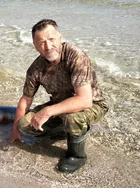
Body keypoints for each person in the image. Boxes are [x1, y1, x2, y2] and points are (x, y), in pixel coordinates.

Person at [10, 19, 108, 173]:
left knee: (72, 118)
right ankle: (65, 130)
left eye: (51, 39)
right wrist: (15, 129)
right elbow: (26, 99)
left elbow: (85, 100)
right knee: (24, 126)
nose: (48, 46)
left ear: (60, 37)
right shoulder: (35, 68)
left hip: (93, 105)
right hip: (59, 104)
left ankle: (77, 156)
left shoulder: (76, 56)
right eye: (41, 43)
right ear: (35, 46)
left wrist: (48, 111)